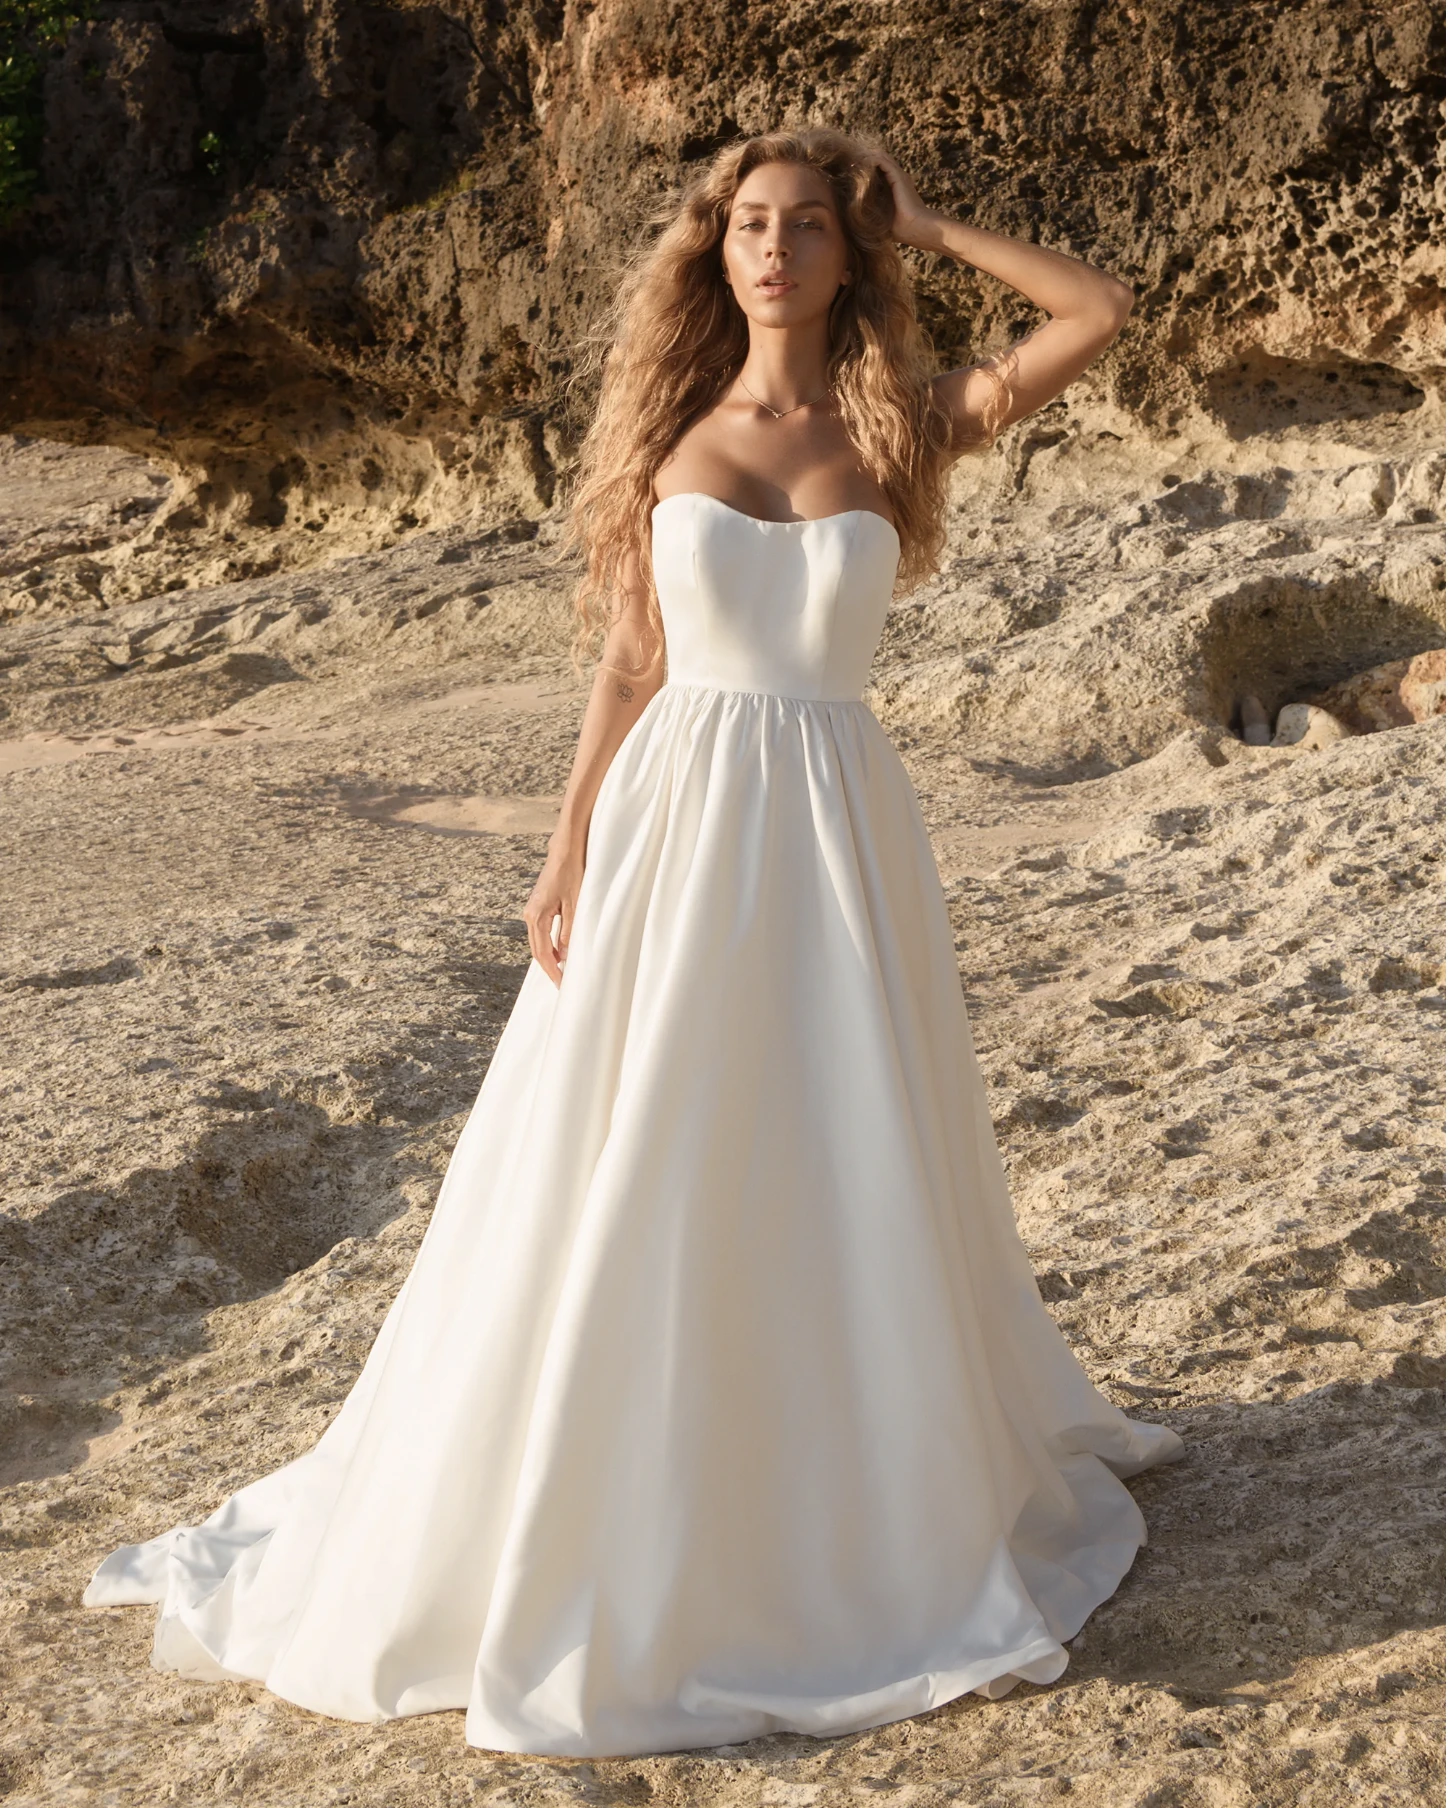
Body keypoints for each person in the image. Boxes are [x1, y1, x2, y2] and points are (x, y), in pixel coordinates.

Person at [83, 127, 1184, 1759]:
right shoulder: (668, 427)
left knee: (838, 1145)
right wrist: (565, 849)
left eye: (809, 225)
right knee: (636, 1146)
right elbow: (625, 663)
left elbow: (1095, 309)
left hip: (837, 832)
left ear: (843, 249)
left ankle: (844, 1484)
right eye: (750, 223)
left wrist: (938, 224)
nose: (776, 250)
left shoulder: (897, 422)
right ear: (712, 246)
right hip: (677, 823)